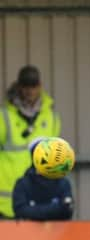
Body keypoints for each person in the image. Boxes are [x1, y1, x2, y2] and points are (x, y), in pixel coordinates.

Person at [0, 65, 62, 218]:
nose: (29, 91)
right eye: (26, 86)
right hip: (6, 204)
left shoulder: (52, 119)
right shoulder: (4, 117)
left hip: (39, 203)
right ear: (19, 86)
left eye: (33, 86)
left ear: (40, 86)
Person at [12, 139, 73, 220]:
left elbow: (67, 210)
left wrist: (34, 209)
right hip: (26, 232)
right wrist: (55, 208)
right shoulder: (23, 184)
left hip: (58, 232)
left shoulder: (63, 183)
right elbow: (20, 210)